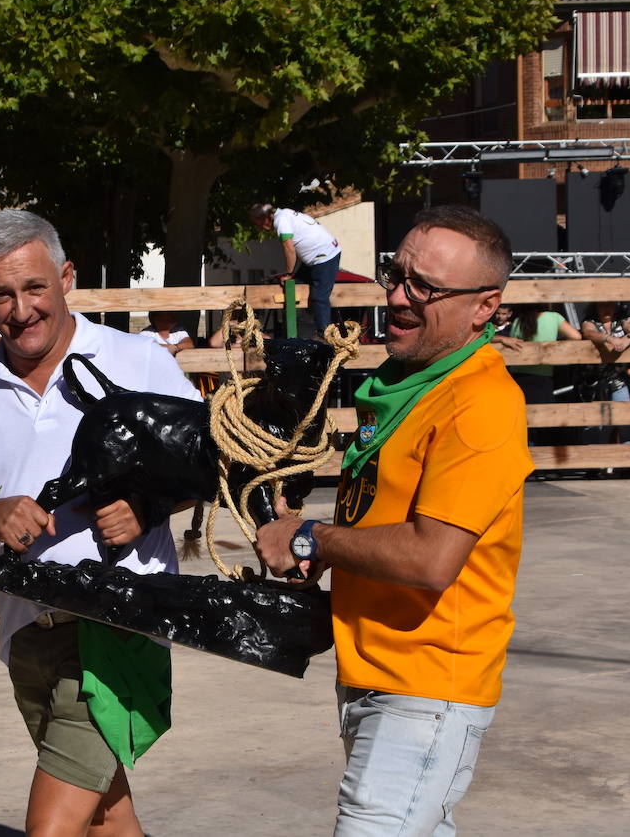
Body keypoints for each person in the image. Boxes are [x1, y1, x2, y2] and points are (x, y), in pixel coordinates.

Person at [0, 210, 201, 837]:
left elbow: (211, 466)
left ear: (66, 277)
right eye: (2, 295)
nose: (20, 309)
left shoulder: (137, 361)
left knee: (52, 829)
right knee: (107, 821)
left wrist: (149, 505)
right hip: (26, 635)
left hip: (117, 627)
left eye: (35, 287)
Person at [253, 205, 532, 836]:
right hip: (375, 671)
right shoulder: (401, 385)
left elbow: (432, 559)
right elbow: (384, 519)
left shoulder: (479, 404)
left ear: (484, 307)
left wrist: (309, 536)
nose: (397, 297)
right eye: (395, 274)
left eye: (425, 287)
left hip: (430, 684)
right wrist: (320, 551)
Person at [249, 202, 342, 337]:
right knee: (295, 285)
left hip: (324, 257)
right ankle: (303, 324)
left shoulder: (281, 221)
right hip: (316, 258)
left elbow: (289, 247)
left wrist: (289, 272)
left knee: (319, 297)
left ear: (265, 218)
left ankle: (325, 334)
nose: (259, 227)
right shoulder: (284, 214)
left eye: (257, 223)